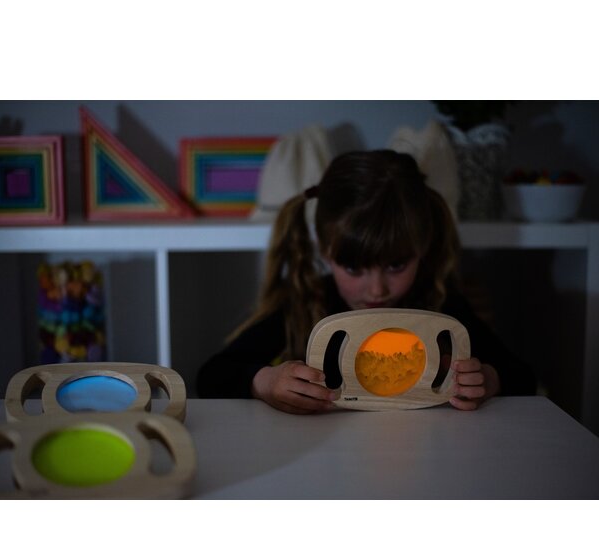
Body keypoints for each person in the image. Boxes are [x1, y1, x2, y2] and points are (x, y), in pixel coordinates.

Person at [197, 150, 536, 413]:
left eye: (396, 265)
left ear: (423, 247)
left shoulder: (439, 302)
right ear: (325, 250)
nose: (377, 290)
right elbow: (211, 375)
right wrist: (265, 383)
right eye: (353, 268)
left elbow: (522, 376)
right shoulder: (305, 300)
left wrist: (487, 380)